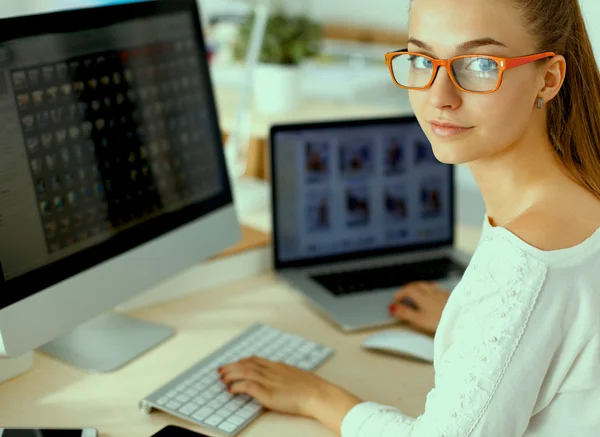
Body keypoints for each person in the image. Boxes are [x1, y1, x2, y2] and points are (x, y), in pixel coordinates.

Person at [219, 0, 600, 435]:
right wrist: (472, 318)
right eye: (422, 60)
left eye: (477, 64)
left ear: (548, 78)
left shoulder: (527, 262)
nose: (440, 97)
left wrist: (319, 398)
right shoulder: (583, 196)